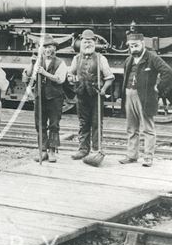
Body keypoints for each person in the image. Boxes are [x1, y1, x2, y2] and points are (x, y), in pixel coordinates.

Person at [119, 33, 172, 167]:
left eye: (136, 45)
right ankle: (131, 155)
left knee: (148, 128)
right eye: (131, 46)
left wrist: (158, 88)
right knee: (131, 128)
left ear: (143, 44)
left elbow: (168, 72)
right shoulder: (128, 60)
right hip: (129, 94)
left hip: (145, 97)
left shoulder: (152, 58)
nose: (134, 48)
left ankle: (148, 157)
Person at [67, 29, 115, 160]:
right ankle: (83, 149)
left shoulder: (101, 58)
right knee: (83, 123)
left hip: (96, 96)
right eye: (84, 42)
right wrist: (71, 78)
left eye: (89, 42)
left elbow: (110, 77)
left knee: (96, 123)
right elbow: (70, 74)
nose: (87, 44)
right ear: (80, 43)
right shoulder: (76, 59)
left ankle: (95, 150)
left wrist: (103, 90)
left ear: (94, 43)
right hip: (81, 95)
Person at [22, 35, 67, 163]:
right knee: (40, 124)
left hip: (55, 98)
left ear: (54, 48)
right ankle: (42, 151)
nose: (47, 49)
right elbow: (28, 76)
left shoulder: (60, 63)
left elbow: (60, 79)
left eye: (50, 47)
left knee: (54, 124)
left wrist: (44, 73)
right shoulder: (37, 61)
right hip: (40, 97)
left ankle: (52, 151)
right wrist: (32, 64)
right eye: (45, 47)